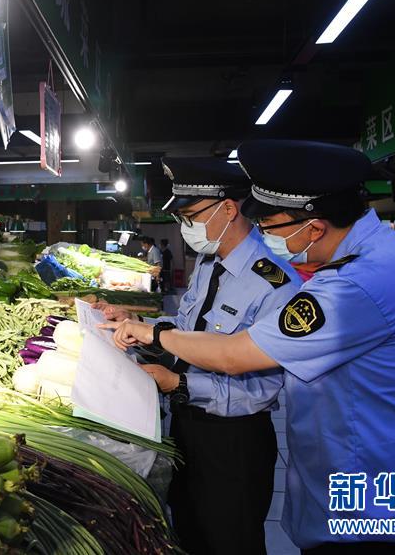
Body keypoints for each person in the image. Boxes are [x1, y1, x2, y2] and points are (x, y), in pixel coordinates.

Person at [103, 141, 395, 555]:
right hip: (363, 480)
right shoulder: (376, 254)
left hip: (378, 506)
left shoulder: (358, 283)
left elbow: (235, 355)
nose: (265, 235)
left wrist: (157, 339)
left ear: (314, 227)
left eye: (271, 226)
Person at [98, 157, 302, 554]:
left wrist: (178, 383)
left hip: (233, 441)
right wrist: (139, 323)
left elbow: (262, 389)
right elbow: (186, 329)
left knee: (229, 540)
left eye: (191, 216)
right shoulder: (210, 263)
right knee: (189, 530)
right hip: (186, 425)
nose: (185, 227)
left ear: (228, 209)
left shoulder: (275, 284)